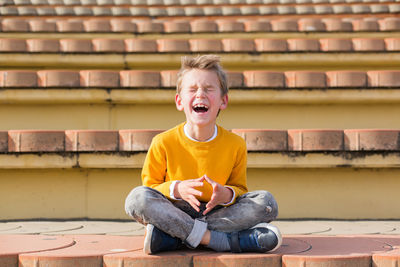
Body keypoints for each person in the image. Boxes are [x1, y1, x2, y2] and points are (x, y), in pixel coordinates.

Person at [125, 54, 282, 254]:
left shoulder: (235, 144)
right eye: (192, 89)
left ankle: (172, 239)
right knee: (136, 199)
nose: (200, 94)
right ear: (179, 101)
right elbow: (150, 189)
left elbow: (240, 189)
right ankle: (221, 241)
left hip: (217, 213)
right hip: (174, 211)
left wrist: (226, 194)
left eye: (209, 89)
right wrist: (177, 189)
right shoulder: (162, 142)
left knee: (266, 202)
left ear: (223, 101)